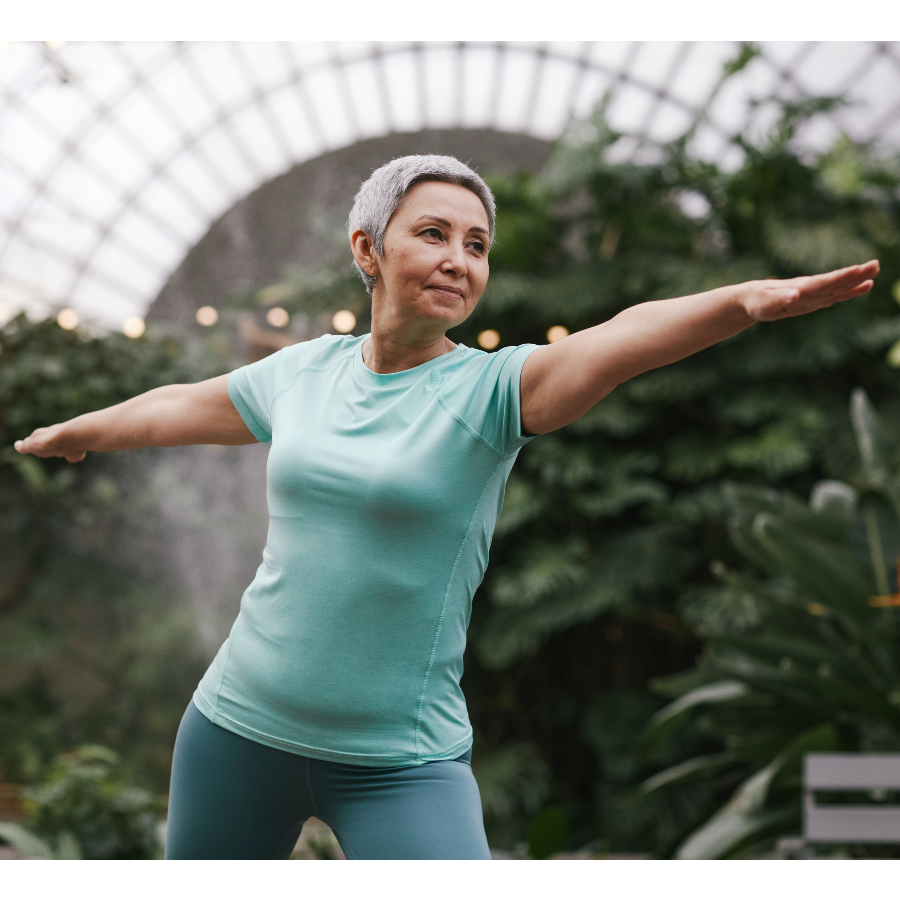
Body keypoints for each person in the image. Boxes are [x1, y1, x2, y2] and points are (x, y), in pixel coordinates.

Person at [14, 155, 880, 859]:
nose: (459, 260)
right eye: (433, 234)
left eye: (476, 243)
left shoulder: (496, 391)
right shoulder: (303, 373)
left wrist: (740, 301)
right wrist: (78, 429)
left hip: (400, 764)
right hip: (236, 730)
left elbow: (619, 340)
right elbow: (175, 407)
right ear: (368, 249)